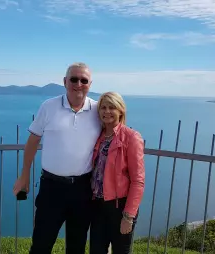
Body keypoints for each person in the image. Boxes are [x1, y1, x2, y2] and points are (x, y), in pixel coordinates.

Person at [13, 62, 101, 254]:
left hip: (83, 189)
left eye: (84, 80)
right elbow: (33, 140)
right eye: (74, 79)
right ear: (64, 81)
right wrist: (24, 175)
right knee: (41, 244)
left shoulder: (98, 110)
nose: (78, 84)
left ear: (90, 84)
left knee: (76, 247)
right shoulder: (49, 106)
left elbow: (115, 133)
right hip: (52, 188)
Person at [90, 92, 145, 254]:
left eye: (112, 107)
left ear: (121, 111)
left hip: (119, 206)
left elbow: (138, 181)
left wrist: (128, 216)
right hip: (98, 205)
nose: (107, 111)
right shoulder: (98, 136)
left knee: (121, 251)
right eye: (103, 107)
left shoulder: (131, 137)